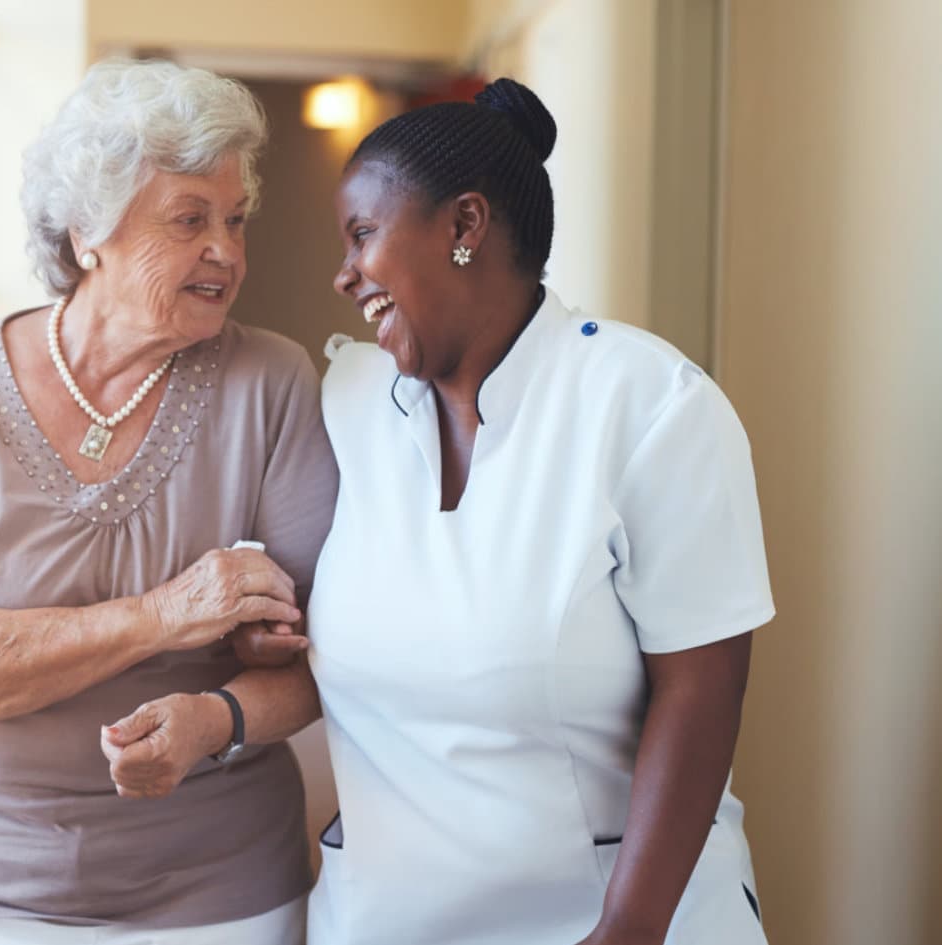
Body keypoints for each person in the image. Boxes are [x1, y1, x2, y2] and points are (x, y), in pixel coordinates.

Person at [0, 59, 333, 945]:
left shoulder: (272, 380)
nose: (225, 249)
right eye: (189, 219)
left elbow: (324, 657)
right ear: (87, 235)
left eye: (234, 219)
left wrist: (216, 716)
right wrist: (164, 616)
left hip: (219, 882)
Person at [306, 77, 775, 944]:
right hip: (383, 919)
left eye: (364, 234)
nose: (344, 274)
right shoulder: (347, 398)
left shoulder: (649, 405)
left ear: (464, 226)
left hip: (605, 917)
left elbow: (703, 687)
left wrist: (628, 927)